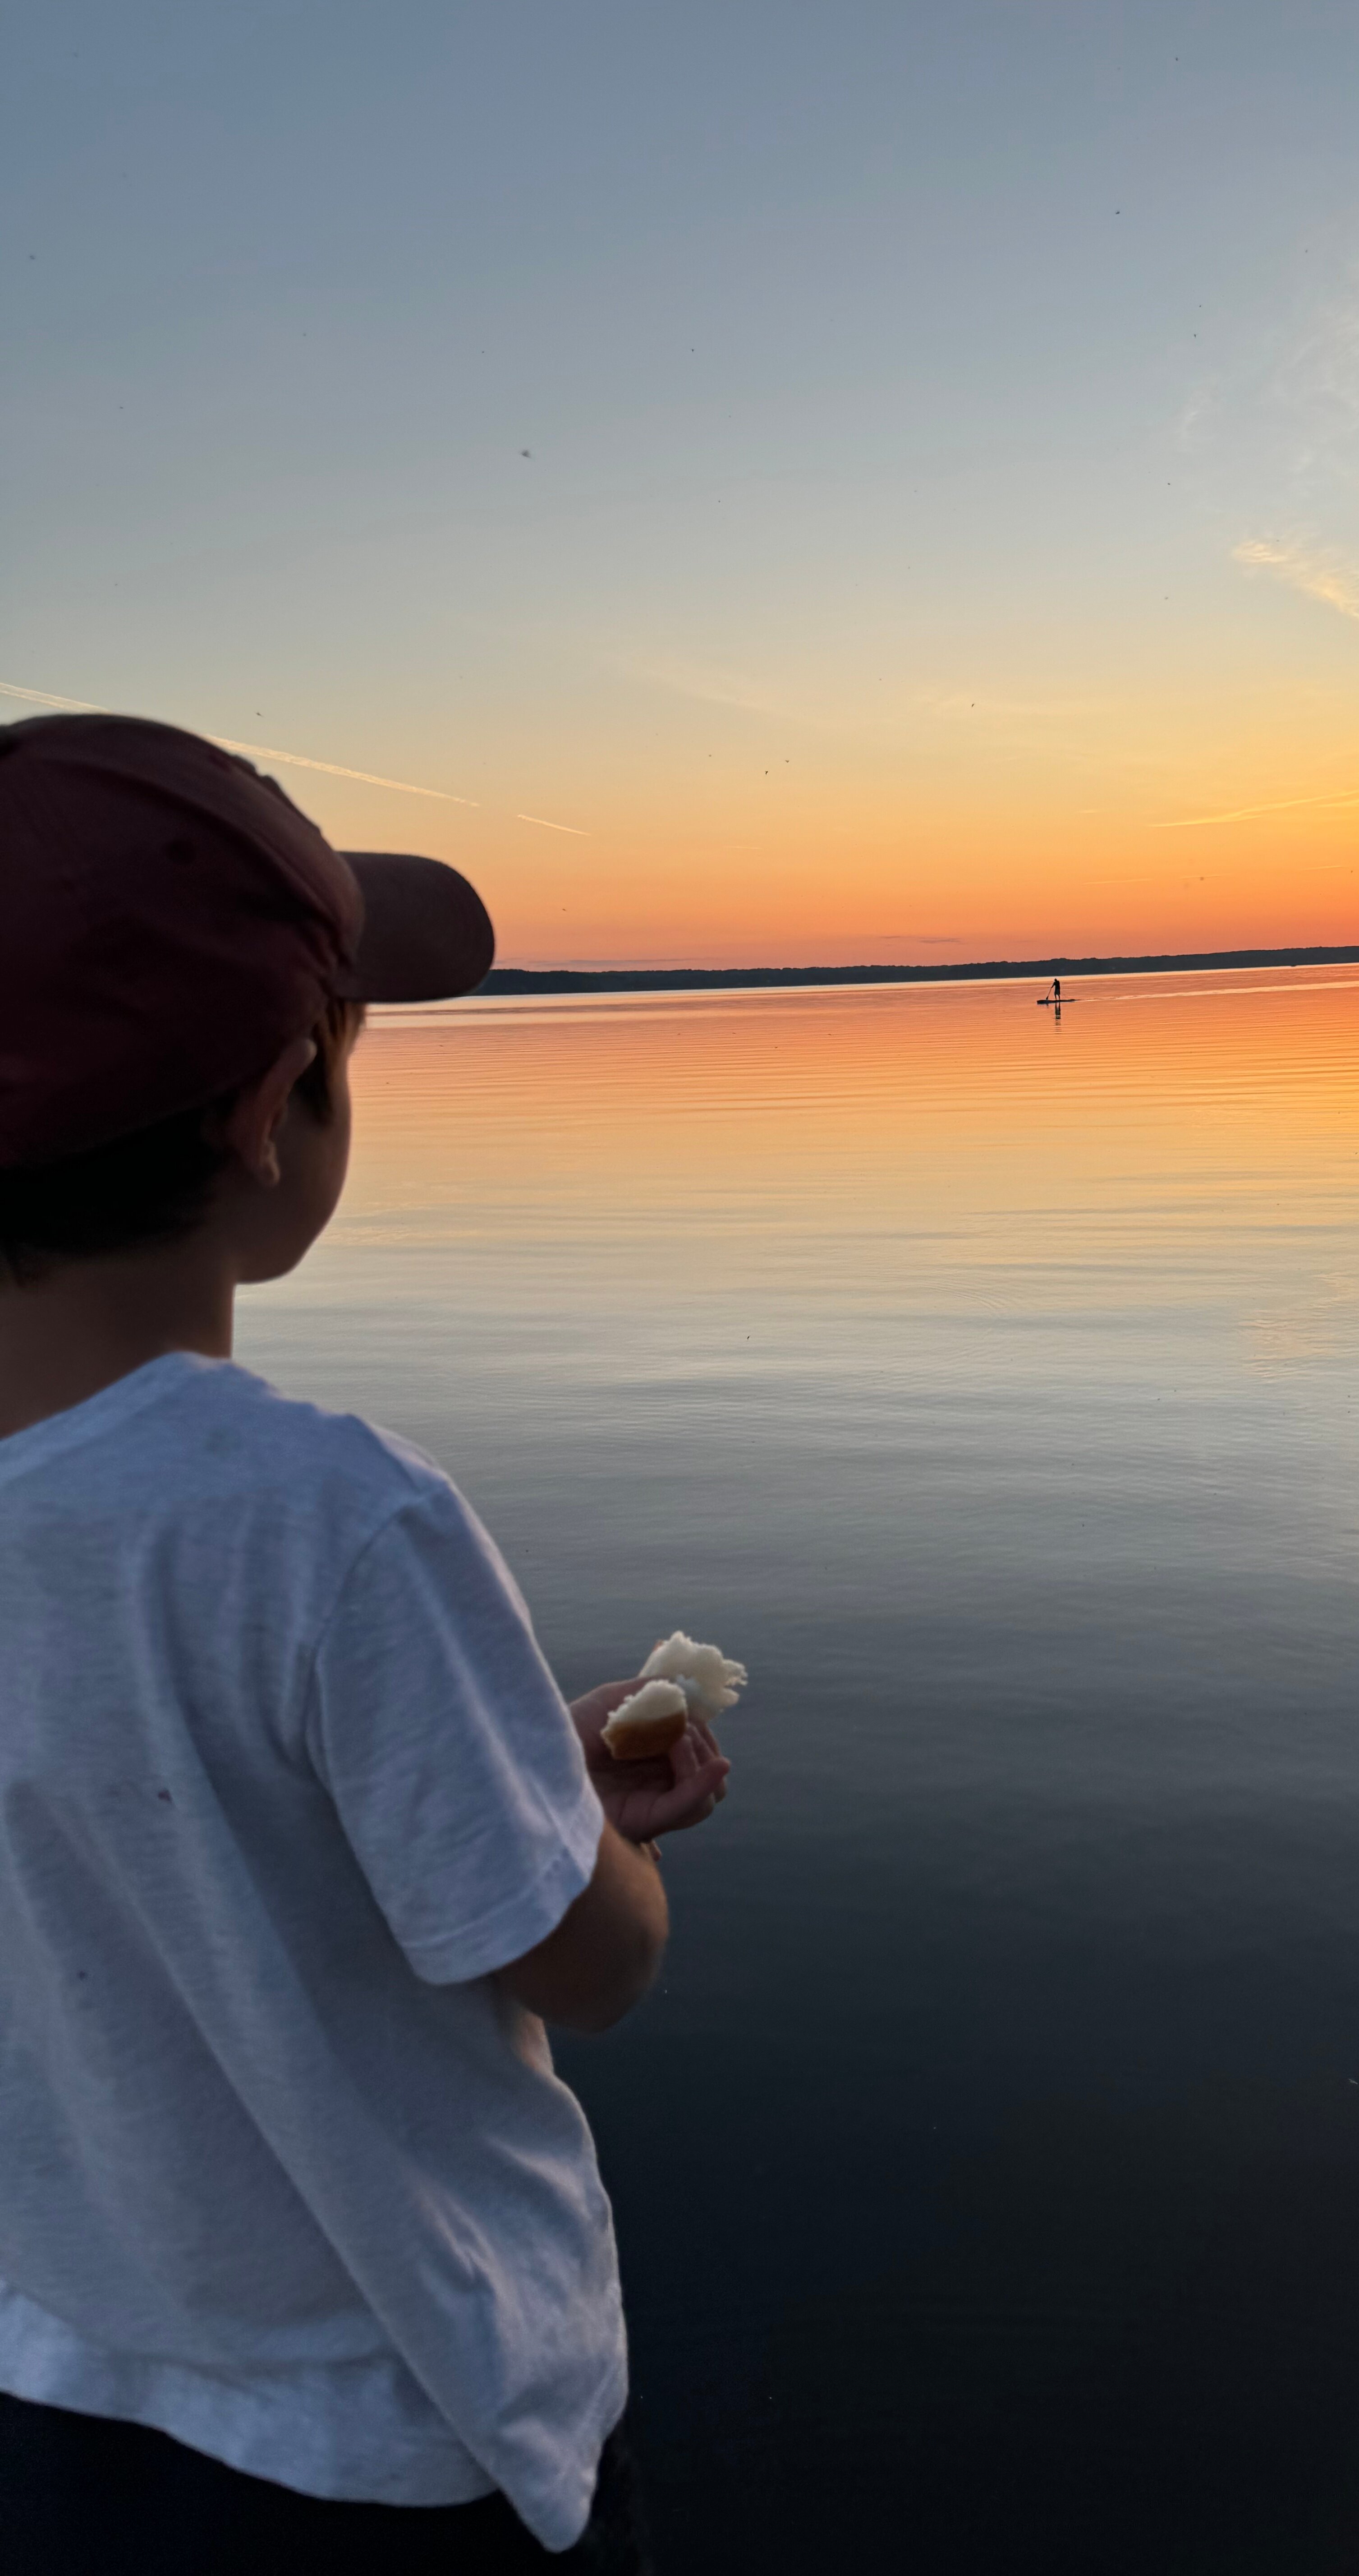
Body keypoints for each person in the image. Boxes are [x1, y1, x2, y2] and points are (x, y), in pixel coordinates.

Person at [0, 713, 730, 2571]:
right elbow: (589, 1965)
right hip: (390, 2436)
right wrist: (581, 1826)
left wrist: (494, 1773)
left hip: (55, 2392)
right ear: (272, 1110)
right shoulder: (329, 1518)